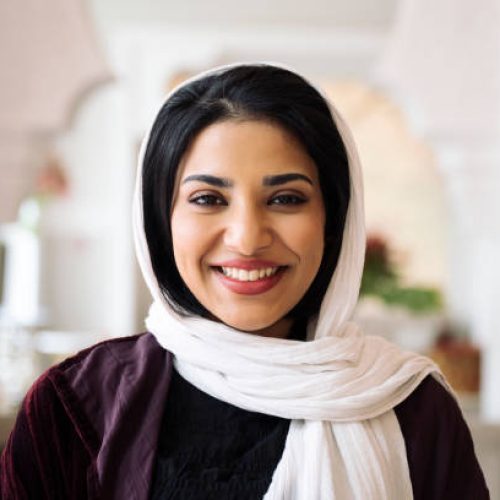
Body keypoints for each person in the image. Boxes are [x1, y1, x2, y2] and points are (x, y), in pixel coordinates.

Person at [0, 63, 489, 499]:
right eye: (209, 199)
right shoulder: (74, 410)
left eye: (286, 199)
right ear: (159, 221)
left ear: (334, 219)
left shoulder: (414, 409)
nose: (248, 239)